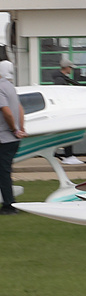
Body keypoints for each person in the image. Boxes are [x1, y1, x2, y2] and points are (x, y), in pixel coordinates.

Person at [49, 59, 85, 162]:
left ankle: (63, 154)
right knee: (68, 133)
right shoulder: (61, 80)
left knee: (63, 134)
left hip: (62, 111)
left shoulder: (61, 78)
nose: (71, 69)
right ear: (66, 68)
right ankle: (68, 156)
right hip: (64, 111)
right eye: (70, 67)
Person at [0, 60, 24, 216]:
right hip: (13, 139)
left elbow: (7, 111)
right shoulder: (10, 87)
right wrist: (21, 129)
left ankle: (9, 205)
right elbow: (20, 109)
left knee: (3, 173)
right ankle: (9, 202)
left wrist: (14, 129)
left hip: (3, 137)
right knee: (4, 172)